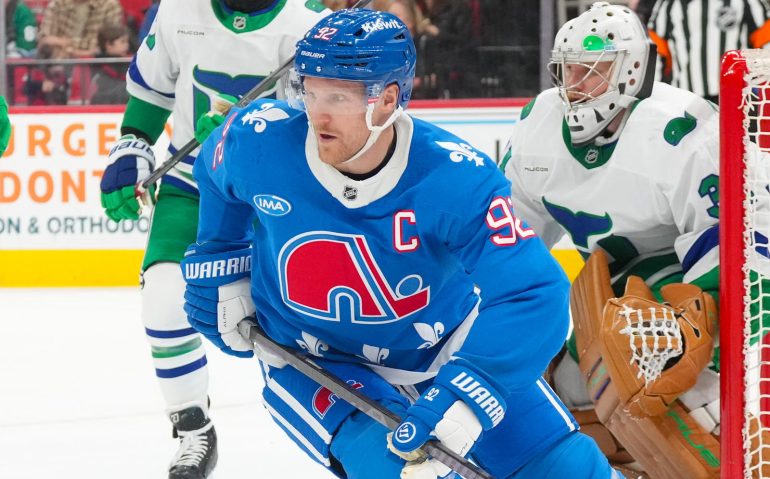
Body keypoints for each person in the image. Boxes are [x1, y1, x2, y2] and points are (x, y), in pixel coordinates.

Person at [182, 8, 624, 479]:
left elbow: (533, 292)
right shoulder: (260, 138)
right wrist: (220, 255)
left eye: (338, 95)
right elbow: (214, 167)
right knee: (391, 470)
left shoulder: (455, 177)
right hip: (314, 360)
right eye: (309, 90)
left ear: (387, 99)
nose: (317, 113)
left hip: (445, 347)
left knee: (568, 469)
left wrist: (475, 391)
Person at [97, 0, 329, 477]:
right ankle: (193, 429)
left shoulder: (310, 24)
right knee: (162, 304)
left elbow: (327, 126)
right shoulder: (178, 10)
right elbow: (152, 88)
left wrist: (250, 133)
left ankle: (352, 431)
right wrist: (133, 143)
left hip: (274, 195)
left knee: (314, 327)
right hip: (191, 186)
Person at [502, 2, 720, 476]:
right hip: (608, 292)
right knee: (577, 389)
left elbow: (724, 252)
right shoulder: (538, 125)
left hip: (688, 287)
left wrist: (702, 343)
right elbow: (507, 245)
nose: (576, 84)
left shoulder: (680, 129)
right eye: (569, 70)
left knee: (699, 391)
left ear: (631, 69)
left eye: (593, 71)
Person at [647, 0, 770, 103]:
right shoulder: (670, 3)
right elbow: (656, 52)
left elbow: (766, 44)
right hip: (685, 95)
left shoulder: (748, 2)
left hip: (737, 95)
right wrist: (653, 97)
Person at [37, 0, 124, 59]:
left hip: (97, 67)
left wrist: (62, 43)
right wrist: (88, 50)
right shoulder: (57, 4)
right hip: (58, 65)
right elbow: (45, 42)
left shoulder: (110, 5)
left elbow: (109, 44)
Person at [90, 24, 131, 105]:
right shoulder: (97, 67)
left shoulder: (129, 63)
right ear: (108, 44)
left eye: (127, 42)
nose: (127, 45)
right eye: (122, 42)